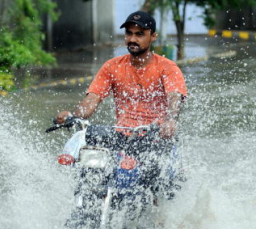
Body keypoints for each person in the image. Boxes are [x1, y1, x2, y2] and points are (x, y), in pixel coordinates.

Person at [56, 11, 187, 140]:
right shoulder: (112, 66)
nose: (132, 39)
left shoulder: (167, 67)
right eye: (129, 33)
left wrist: (170, 121)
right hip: (121, 136)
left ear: (153, 37)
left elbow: (174, 97)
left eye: (139, 34)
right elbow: (93, 98)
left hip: (157, 137)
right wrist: (74, 116)